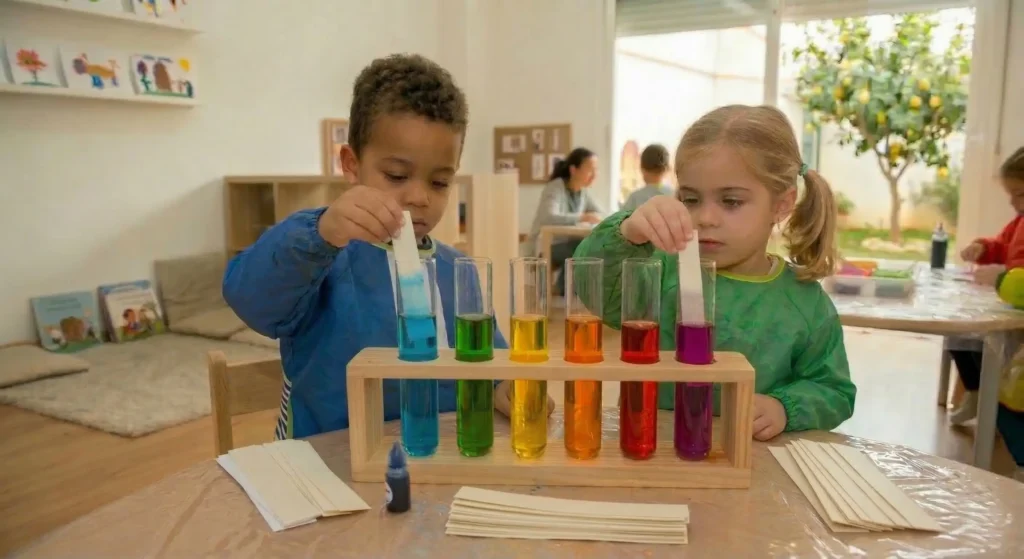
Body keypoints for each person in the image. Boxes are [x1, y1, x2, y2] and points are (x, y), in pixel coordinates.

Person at [222, 54, 517, 439]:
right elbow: (251, 298)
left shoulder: (456, 270)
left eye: (440, 182)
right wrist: (320, 233)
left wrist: (506, 388)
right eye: (396, 175)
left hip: (432, 456)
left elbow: (490, 360)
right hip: (325, 461)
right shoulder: (322, 252)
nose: (419, 197)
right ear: (351, 165)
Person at [575, 104, 856, 440]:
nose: (705, 218)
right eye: (691, 199)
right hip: (651, 453)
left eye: (731, 201)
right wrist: (627, 233)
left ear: (781, 205)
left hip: (752, 467)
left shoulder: (805, 303)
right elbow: (592, 288)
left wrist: (785, 407)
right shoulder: (658, 271)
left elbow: (834, 391)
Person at [948, 146, 1024, 425]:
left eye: (1021, 195)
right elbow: (1001, 245)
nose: (1015, 204)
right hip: (1008, 302)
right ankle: (977, 391)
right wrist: (983, 247)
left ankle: (991, 401)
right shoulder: (1019, 222)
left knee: (980, 338)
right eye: (1012, 197)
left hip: (1018, 312)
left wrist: (1004, 274)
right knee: (959, 330)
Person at [525, 147, 604, 294]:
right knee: (582, 248)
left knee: (586, 246)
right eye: (590, 170)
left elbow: (601, 213)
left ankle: (566, 291)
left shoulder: (583, 192)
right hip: (545, 245)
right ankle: (565, 291)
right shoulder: (555, 188)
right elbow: (548, 217)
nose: (594, 175)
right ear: (574, 170)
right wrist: (582, 217)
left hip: (565, 244)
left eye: (596, 170)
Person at [621, 143, 674, 212]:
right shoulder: (673, 195)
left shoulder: (635, 197)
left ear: (642, 168)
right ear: (666, 169)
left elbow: (620, 220)